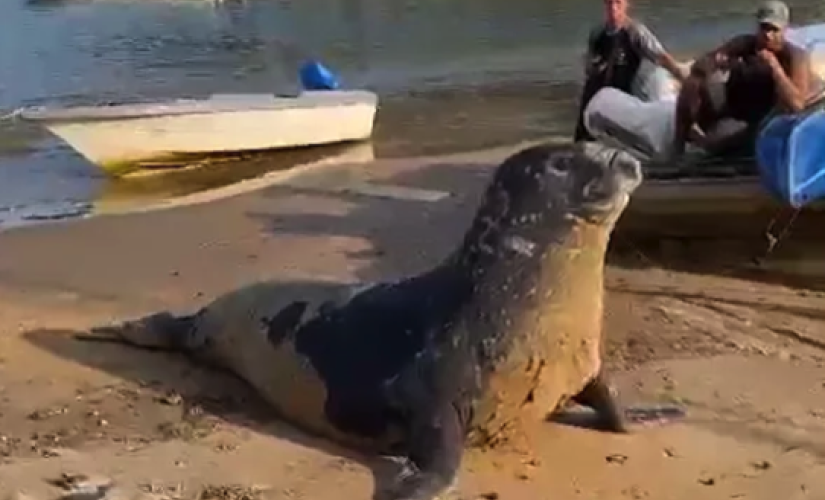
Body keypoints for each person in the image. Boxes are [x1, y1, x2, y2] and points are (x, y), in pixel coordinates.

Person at [672, 0, 812, 158]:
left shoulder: (794, 57)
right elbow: (700, 65)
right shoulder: (745, 44)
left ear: (785, 30)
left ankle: (706, 143)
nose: (768, 35)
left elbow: (797, 105)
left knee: (721, 145)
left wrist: (775, 69)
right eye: (764, 28)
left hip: (763, 120)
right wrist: (717, 61)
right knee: (692, 83)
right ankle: (678, 148)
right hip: (735, 110)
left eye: (774, 30)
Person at [573, 0, 688, 142]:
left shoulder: (635, 32)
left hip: (621, 99)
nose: (613, 8)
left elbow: (661, 57)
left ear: (626, 5)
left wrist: (683, 78)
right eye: (609, 3)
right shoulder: (597, 33)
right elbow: (589, 66)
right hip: (595, 98)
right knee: (583, 140)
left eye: (618, 3)